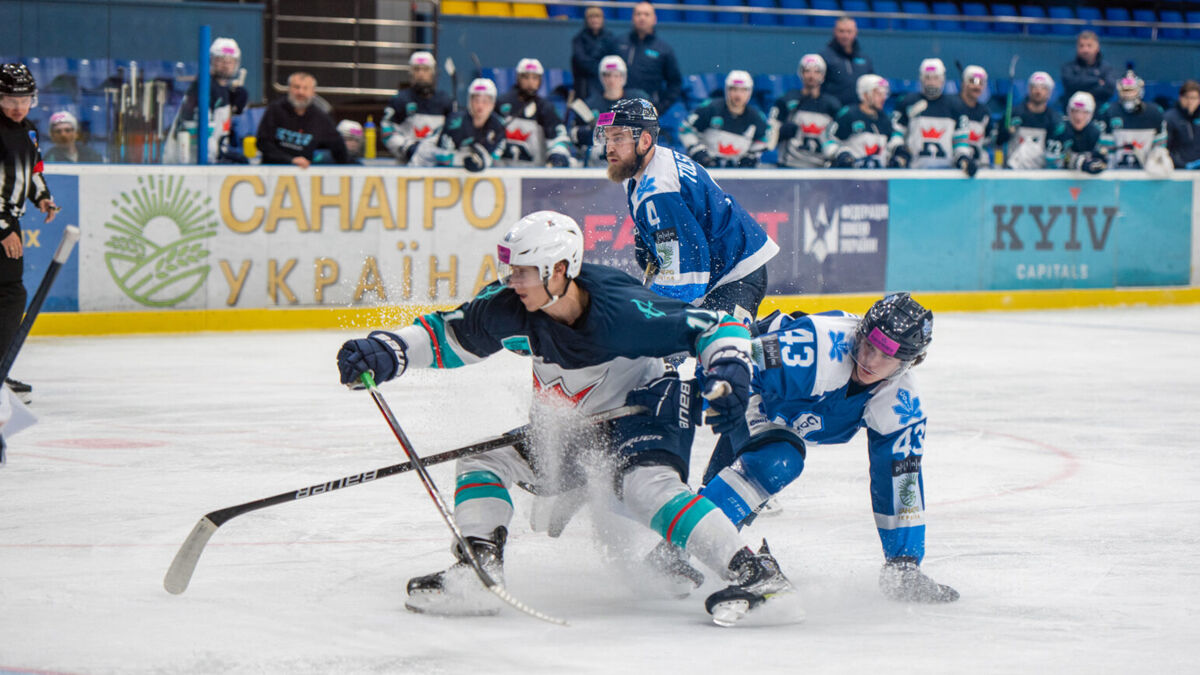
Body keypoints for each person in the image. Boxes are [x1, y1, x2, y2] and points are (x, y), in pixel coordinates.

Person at [335, 210, 800, 627]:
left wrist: (729, 371)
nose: (511, 281)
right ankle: (478, 569)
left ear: (559, 271)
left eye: (522, 272)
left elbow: (714, 326)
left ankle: (756, 572)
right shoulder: (512, 304)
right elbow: (450, 334)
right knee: (484, 462)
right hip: (575, 425)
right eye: (510, 269)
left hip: (646, 407)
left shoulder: (621, 310)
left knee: (645, 489)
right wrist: (389, 350)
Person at [697, 293, 959, 604]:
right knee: (778, 461)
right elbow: (739, 358)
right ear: (860, 333)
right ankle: (685, 537)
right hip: (756, 393)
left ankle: (694, 533)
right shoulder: (817, 345)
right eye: (869, 346)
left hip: (786, 416)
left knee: (765, 470)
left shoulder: (902, 405)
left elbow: (901, 482)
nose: (870, 361)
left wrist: (904, 565)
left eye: (885, 357)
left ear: (908, 363)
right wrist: (719, 392)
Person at [595, 98, 779, 321]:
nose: (609, 148)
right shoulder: (646, 167)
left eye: (618, 138)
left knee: (719, 346)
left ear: (644, 141)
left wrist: (648, 314)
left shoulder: (660, 188)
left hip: (736, 274)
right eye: (607, 138)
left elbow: (685, 279)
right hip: (718, 267)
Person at [0, 63, 59, 403]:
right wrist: (4, 228)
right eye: (9, 99)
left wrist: (43, 197)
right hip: (2, 226)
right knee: (9, 296)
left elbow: (34, 170)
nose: (18, 107)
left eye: (24, 99)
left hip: (9, 223)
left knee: (8, 296)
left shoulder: (30, 130)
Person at [164, 37, 249, 164]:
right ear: (211, 61)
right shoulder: (203, 87)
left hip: (207, 160)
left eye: (230, 61)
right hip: (190, 162)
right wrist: (215, 159)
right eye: (220, 59)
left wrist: (235, 108)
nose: (226, 65)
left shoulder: (224, 89)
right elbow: (200, 131)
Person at [566, 55, 650, 165]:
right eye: (607, 75)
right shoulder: (588, 105)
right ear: (602, 78)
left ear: (623, 77)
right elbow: (574, 135)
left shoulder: (636, 102)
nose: (612, 80)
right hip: (598, 161)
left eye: (616, 75)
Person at [256, 72, 351, 167]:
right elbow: (262, 143)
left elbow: (338, 147)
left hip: (305, 174)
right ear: (289, 89)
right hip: (272, 170)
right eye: (296, 87)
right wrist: (290, 160)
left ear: (313, 92)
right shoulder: (275, 110)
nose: (300, 92)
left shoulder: (321, 118)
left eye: (305, 88)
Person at [679, 71, 769, 169]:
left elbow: (763, 139)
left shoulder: (756, 116)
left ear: (749, 92)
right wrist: (698, 151)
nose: (738, 95)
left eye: (743, 90)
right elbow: (685, 129)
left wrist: (751, 156)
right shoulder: (710, 108)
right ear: (727, 90)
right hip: (706, 168)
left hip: (739, 172)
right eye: (734, 89)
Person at [769, 54, 843, 169]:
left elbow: (839, 138)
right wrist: (780, 133)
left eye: (816, 72)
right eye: (807, 71)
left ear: (823, 76)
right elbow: (769, 138)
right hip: (790, 165)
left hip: (820, 168)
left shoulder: (832, 105)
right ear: (801, 74)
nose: (811, 76)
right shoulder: (787, 100)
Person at [381, 51, 455, 165]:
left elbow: (454, 131)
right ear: (411, 73)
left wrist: (444, 151)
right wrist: (406, 148)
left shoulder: (445, 100)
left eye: (425, 69)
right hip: (406, 164)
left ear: (433, 72)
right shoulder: (399, 100)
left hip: (437, 166)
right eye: (416, 69)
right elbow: (386, 130)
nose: (421, 74)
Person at [496, 58, 572, 168]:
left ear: (540, 81)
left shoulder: (546, 108)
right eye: (526, 77)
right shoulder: (502, 104)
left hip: (534, 173)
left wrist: (557, 155)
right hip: (500, 172)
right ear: (518, 78)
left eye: (535, 78)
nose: (530, 82)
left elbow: (559, 138)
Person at [889, 58, 960, 169]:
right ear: (921, 79)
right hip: (914, 170)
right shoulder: (907, 102)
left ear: (942, 80)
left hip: (947, 172)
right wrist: (899, 149)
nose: (931, 82)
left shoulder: (954, 105)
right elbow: (895, 134)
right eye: (927, 78)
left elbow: (960, 141)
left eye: (936, 78)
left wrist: (962, 157)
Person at [1096, 66, 1168, 171]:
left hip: (1147, 172)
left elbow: (1160, 147)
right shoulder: (1109, 111)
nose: (1128, 95)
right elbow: (1105, 149)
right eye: (1125, 91)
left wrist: (1154, 164)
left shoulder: (1155, 112)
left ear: (1140, 91)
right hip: (1116, 171)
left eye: (1131, 90)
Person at [430, 78, 507, 172]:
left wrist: (482, 160)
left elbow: (494, 158)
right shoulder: (454, 123)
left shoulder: (499, 126)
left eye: (485, 101)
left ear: (493, 103)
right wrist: (461, 159)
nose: (480, 106)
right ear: (469, 101)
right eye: (476, 100)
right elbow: (440, 156)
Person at [621, 2, 683, 115]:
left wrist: (661, 107)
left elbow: (675, 83)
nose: (642, 18)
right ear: (632, 18)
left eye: (646, 14)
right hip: (621, 107)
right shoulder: (618, 44)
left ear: (654, 19)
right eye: (638, 14)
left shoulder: (663, 49)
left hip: (647, 110)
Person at [825, 74, 895, 169]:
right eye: (878, 93)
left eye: (884, 93)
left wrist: (898, 152)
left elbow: (890, 145)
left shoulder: (885, 119)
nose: (883, 98)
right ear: (865, 95)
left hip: (878, 178)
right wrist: (842, 154)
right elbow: (829, 142)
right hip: (852, 177)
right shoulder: (849, 115)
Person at [999, 71, 1062, 170]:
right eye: (1035, 87)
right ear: (1029, 89)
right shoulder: (1014, 113)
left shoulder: (1053, 119)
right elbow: (998, 142)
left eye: (1043, 88)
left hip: (1041, 173)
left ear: (1049, 93)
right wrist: (1007, 131)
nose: (1038, 91)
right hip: (1013, 172)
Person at [1045, 91, 1107, 174]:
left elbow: (1104, 160)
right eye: (1075, 111)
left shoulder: (1095, 132)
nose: (1078, 117)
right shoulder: (1060, 130)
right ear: (1069, 111)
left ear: (1091, 114)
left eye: (1084, 112)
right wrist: (1080, 162)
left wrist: (1098, 162)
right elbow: (1051, 161)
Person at [819, 16, 875, 107]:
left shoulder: (865, 59)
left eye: (849, 31)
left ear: (855, 33)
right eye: (841, 31)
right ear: (835, 32)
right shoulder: (823, 57)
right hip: (831, 111)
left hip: (857, 113)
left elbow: (871, 86)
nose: (845, 35)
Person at [952, 65, 994, 177]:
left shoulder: (985, 112)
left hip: (977, 170)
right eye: (972, 81)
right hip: (954, 170)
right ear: (963, 83)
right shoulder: (951, 106)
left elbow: (988, 141)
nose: (976, 86)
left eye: (981, 83)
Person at [571, 5, 620, 101]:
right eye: (591, 17)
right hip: (584, 85)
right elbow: (582, 63)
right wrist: (601, 66)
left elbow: (614, 61)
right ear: (586, 20)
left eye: (597, 16)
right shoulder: (578, 39)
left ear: (602, 19)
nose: (594, 20)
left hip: (606, 83)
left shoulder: (610, 38)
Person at [1060, 30, 1116, 110]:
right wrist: (1096, 81)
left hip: (1099, 111)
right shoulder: (1068, 67)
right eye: (1081, 46)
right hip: (1073, 112)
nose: (1085, 50)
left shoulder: (1106, 68)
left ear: (1097, 47)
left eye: (1089, 46)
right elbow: (1070, 85)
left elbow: (1109, 90)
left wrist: (1081, 85)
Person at [1165, 80, 1200, 170]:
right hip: (1177, 172)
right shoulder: (1170, 118)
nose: (1190, 102)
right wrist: (1182, 165)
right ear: (1180, 98)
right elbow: (1165, 149)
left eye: (1194, 98)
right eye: (1186, 97)